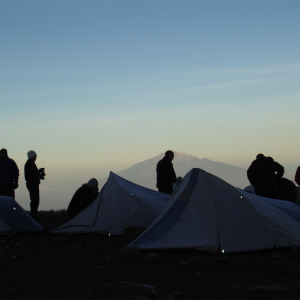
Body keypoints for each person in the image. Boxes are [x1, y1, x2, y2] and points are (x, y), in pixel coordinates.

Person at [24, 150, 45, 220]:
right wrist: (39, 174)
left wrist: (39, 174)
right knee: (35, 200)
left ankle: (33, 214)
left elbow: (33, 174)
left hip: (33, 184)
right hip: (32, 184)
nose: (36, 157)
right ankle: (33, 215)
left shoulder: (30, 164)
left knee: (35, 200)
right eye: (35, 156)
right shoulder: (29, 164)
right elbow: (32, 175)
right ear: (32, 156)